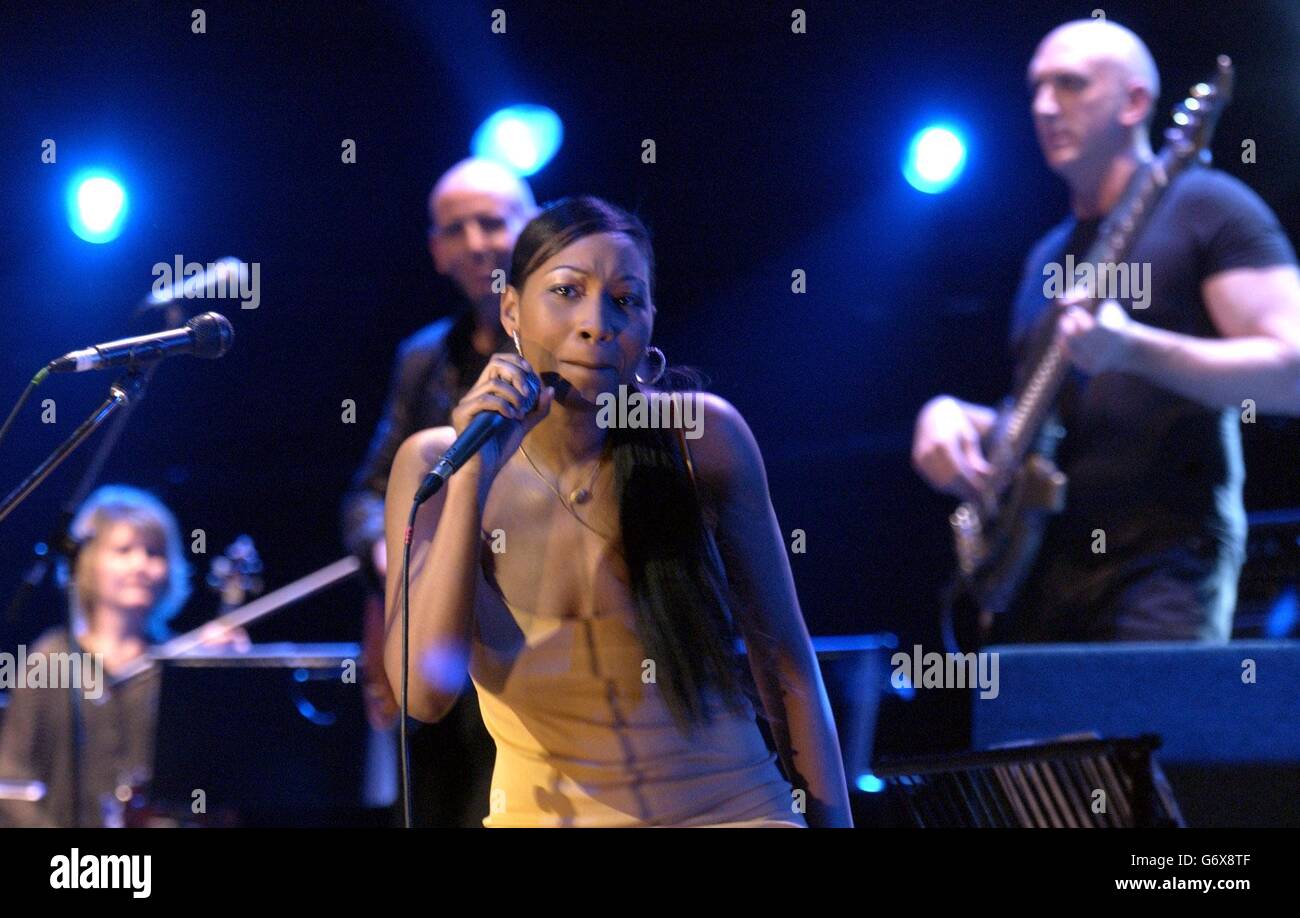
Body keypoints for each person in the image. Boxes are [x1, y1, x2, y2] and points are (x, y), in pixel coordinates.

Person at [383, 195, 853, 827]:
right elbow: (425, 693)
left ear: (651, 322)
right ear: (512, 310)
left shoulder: (701, 439)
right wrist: (471, 479)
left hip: (734, 811)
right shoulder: (433, 465)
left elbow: (789, 669)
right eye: (567, 292)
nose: (598, 322)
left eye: (625, 300)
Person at [912, 19, 1300, 643]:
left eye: (1070, 85)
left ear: (1136, 102)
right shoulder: (1045, 257)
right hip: (1039, 577)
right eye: (1036, 87)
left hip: (1163, 567)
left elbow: (1294, 371)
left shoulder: (1209, 207)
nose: (1043, 106)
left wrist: (1135, 349)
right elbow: (1045, 419)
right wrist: (954, 417)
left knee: (1142, 739)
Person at [341, 157, 538, 826]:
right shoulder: (423, 358)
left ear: (532, 227)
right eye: (458, 229)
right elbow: (368, 495)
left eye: (493, 222)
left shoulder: (567, 344)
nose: (478, 242)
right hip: (435, 644)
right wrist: (390, 552)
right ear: (436, 250)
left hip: (529, 639)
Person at [0, 485, 248, 827]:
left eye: (154, 552)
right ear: (88, 561)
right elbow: (10, 779)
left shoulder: (181, 663)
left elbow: (216, 784)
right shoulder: (51, 659)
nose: (140, 565)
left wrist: (223, 677)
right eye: (123, 550)